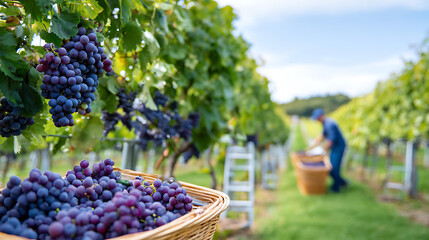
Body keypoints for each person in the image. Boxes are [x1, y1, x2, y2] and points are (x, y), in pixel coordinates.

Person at [307, 108, 348, 192]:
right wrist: (312, 146)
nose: (317, 120)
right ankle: (342, 183)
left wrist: (323, 151)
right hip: (335, 147)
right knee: (331, 167)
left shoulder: (330, 124)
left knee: (333, 168)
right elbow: (322, 135)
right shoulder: (325, 123)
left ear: (322, 116)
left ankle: (337, 187)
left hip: (338, 147)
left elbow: (330, 141)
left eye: (317, 118)